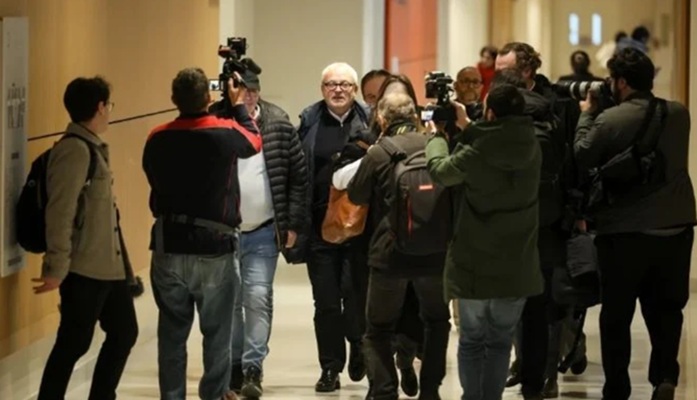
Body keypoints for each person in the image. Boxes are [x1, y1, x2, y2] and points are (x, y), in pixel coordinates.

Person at [575, 48, 695, 400]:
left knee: (617, 315)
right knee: (667, 310)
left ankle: (618, 388)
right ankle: (665, 376)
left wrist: (587, 114)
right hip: (675, 228)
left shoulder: (610, 120)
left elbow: (582, 155)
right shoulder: (679, 113)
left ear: (622, 82)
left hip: (624, 232)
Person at [143, 68, 261, 400]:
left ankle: (172, 396)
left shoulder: (157, 136)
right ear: (208, 97)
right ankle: (213, 394)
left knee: (171, 335)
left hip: (168, 245)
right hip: (214, 247)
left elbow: (153, 178)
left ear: (173, 99)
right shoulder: (223, 131)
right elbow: (254, 141)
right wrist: (237, 105)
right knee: (217, 334)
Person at [426, 83, 543, 400]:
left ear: (490, 112)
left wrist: (437, 137)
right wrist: (468, 125)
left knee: (472, 340)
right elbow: (498, 141)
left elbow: (441, 171)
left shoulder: (478, 150)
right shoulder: (532, 144)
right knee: (501, 341)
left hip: (474, 264)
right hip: (518, 263)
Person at [35, 76, 138, 400]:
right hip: (83, 268)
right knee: (73, 343)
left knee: (124, 332)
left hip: (108, 267)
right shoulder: (74, 151)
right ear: (100, 107)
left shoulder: (92, 148)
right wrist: (56, 267)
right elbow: (60, 212)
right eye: (109, 105)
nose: (109, 112)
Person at [210, 70, 308, 397]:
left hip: (264, 230)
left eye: (253, 90)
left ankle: (253, 366)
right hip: (225, 231)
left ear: (259, 91)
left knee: (257, 297)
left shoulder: (278, 123)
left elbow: (298, 177)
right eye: (242, 90)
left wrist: (292, 224)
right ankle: (235, 364)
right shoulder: (217, 121)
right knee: (231, 300)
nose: (248, 96)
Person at [348, 92, 451, 400]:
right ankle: (430, 390)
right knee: (437, 322)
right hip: (435, 252)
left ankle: (384, 391)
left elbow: (356, 195)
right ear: (416, 117)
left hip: (390, 253)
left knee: (378, 329)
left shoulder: (380, 153)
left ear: (381, 119)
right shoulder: (435, 146)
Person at [296, 62, 371, 392]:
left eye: (344, 84)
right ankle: (330, 367)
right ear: (322, 89)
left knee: (354, 297)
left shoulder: (369, 122)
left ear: (354, 90)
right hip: (318, 228)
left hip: (359, 228)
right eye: (331, 84)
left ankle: (358, 345)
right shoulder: (308, 123)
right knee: (325, 303)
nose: (337, 90)